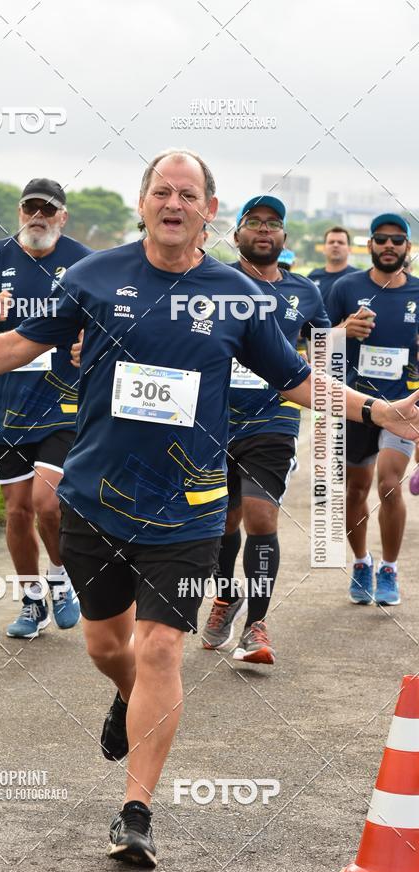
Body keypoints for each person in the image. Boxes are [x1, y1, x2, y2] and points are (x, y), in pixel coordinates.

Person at [0, 151, 419, 869]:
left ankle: (136, 809)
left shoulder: (240, 297)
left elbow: (298, 379)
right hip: (95, 499)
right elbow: (18, 342)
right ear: (142, 202)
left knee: (158, 649)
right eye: (161, 190)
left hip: (190, 510)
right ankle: (127, 698)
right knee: (108, 649)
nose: (173, 202)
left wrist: (378, 407)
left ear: (209, 209)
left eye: (188, 193)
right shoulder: (94, 277)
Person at [0, 178, 91, 638]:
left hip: (65, 401)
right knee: (17, 511)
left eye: (47, 211)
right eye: (31, 209)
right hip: (8, 406)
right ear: (19, 212)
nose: (38, 218)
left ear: (62, 217)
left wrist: (88, 346)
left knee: (47, 503)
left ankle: (61, 576)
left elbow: (107, 324)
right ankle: (33, 602)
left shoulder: (83, 262)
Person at [201, 196, 331, 665]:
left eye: (273, 224)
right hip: (212, 417)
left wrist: (322, 388)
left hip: (273, 419)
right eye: (252, 222)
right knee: (220, 520)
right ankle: (224, 596)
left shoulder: (306, 293)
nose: (263, 230)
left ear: (284, 238)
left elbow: (320, 350)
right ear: (235, 235)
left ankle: (256, 625)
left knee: (260, 517)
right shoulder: (212, 282)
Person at [327, 213, 419, 605]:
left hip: (401, 407)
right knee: (356, 491)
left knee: (389, 484)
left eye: (397, 240)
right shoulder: (345, 287)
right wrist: (342, 331)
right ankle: (362, 563)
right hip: (356, 407)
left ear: (407, 249)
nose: (389, 246)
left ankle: (389, 570)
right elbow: (315, 345)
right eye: (381, 239)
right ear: (370, 245)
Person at [307, 226, 357, 302]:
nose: (335, 245)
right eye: (331, 242)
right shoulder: (313, 277)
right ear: (324, 248)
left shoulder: (358, 278)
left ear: (349, 249)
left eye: (341, 242)